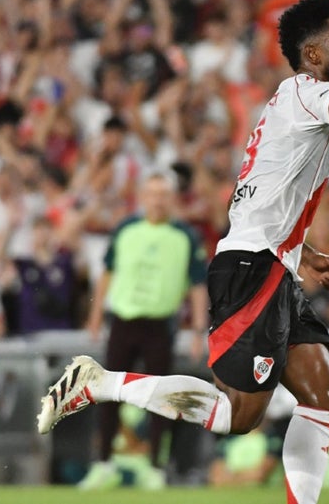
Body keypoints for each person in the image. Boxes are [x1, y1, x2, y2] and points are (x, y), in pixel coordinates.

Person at [38, 0, 329, 504]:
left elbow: (254, 195)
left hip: (273, 263)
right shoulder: (305, 93)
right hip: (252, 269)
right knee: (237, 415)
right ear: (313, 55)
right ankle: (100, 384)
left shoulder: (293, 104)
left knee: (322, 394)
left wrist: (303, 250)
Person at [76, 171, 210, 490]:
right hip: (123, 321)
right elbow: (107, 272)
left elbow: (197, 285)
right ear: (142, 197)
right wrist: (95, 315)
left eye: (163, 194)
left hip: (160, 324)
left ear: (172, 199)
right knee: (109, 393)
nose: (157, 200)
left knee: (159, 397)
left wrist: (198, 330)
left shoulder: (185, 236)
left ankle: (155, 467)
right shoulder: (126, 229)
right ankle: (104, 463)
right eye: (152, 194)